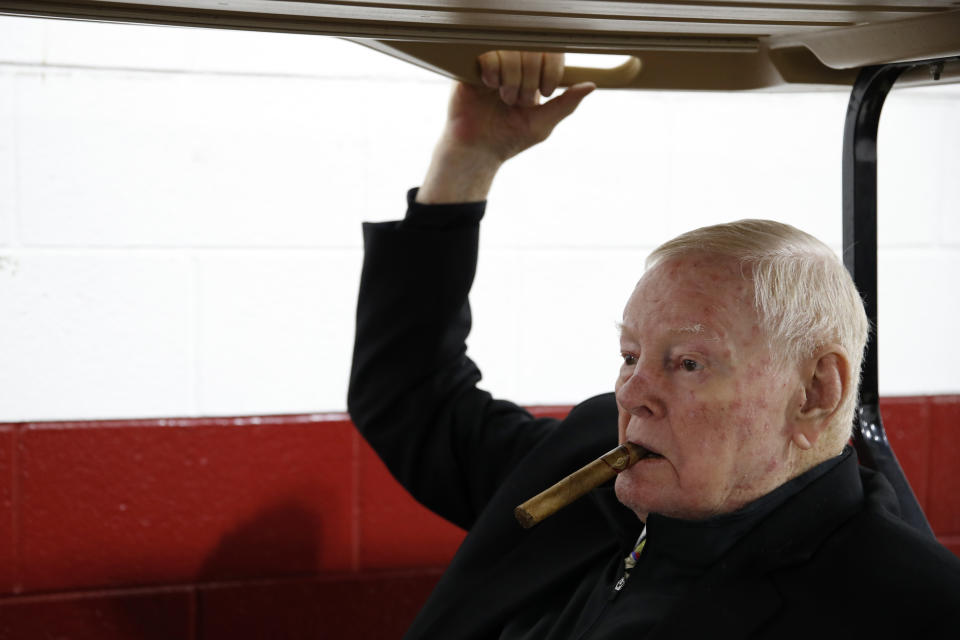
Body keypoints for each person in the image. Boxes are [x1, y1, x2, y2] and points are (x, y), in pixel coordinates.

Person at [348, 51, 960, 638]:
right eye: (630, 356)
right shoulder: (591, 469)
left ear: (815, 393)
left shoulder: (907, 609)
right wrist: (468, 158)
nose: (633, 393)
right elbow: (409, 397)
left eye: (688, 363)